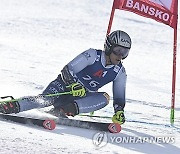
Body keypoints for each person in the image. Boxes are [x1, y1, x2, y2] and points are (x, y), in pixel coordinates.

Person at [0, 30, 131, 125]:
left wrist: (119, 111)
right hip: (63, 86)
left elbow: (119, 97)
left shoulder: (120, 72)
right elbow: (67, 70)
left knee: (104, 98)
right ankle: (10, 105)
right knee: (46, 100)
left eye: (125, 52)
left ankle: (61, 111)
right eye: (118, 50)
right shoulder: (92, 55)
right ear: (109, 47)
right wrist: (74, 84)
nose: (120, 56)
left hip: (79, 98)